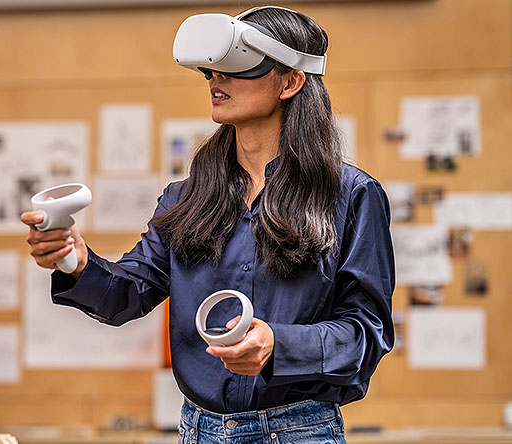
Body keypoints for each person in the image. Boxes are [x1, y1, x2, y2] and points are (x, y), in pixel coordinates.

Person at [21, 6, 394, 444]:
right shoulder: (186, 198)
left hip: (299, 431)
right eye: (212, 71)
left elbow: (365, 333)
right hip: (198, 430)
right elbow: (127, 294)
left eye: (239, 68)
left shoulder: (351, 196)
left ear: (291, 81)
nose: (217, 79)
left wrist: (278, 344)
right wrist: (75, 262)